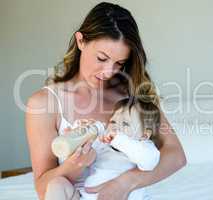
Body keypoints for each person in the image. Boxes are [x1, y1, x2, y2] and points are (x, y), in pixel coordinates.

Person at [26, 2, 186, 200]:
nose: (109, 72)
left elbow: (176, 155)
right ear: (81, 41)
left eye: (119, 63)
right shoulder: (45, 103)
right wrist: (76, 164)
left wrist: (125, 183)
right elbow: (43, 189)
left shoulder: (132, 95)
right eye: (102, 58)